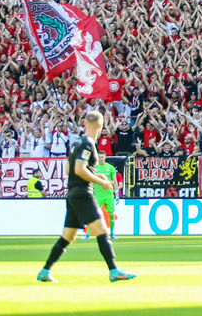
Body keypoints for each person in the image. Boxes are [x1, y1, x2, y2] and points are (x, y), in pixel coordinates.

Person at [37, 109, 136, 283]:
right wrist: (101, 181)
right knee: (103, 231)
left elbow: (69, 170)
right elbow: (79, 170)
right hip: (83, 193)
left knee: (68, 236)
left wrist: (97, 175)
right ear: (100, 125)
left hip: (72, 194)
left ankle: (45, 270)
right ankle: (114, 270)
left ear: (84, 123)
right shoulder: (88, 144)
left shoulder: (77, 144)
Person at [88, 154, 119, 240]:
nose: (101, 158)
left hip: (109, 195)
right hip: (98, 195)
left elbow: (115, 180)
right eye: (99, 157)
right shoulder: (94, 168)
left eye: (102, 157)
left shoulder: (110, 167)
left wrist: (116, 193)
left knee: (111, 215)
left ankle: (112, 234)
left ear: (105, 157)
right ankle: (88, 234)